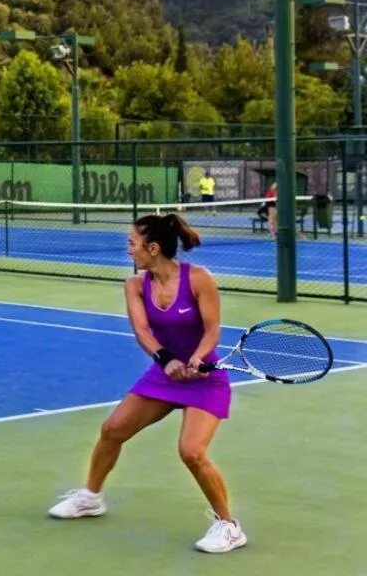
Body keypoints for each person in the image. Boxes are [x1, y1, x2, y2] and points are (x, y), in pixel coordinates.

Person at [46, 213, 244, 554]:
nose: (128, 250)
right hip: (164, 374)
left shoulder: (199, 279)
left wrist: (196, 358)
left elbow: (213, 330)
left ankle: (229, 526)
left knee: (191, 452)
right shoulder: (135, 285)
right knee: (112, 430)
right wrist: (167, 360)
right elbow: (142, 331)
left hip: (204, 378)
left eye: (132, 243)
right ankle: (91, 497)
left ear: (153, 248)